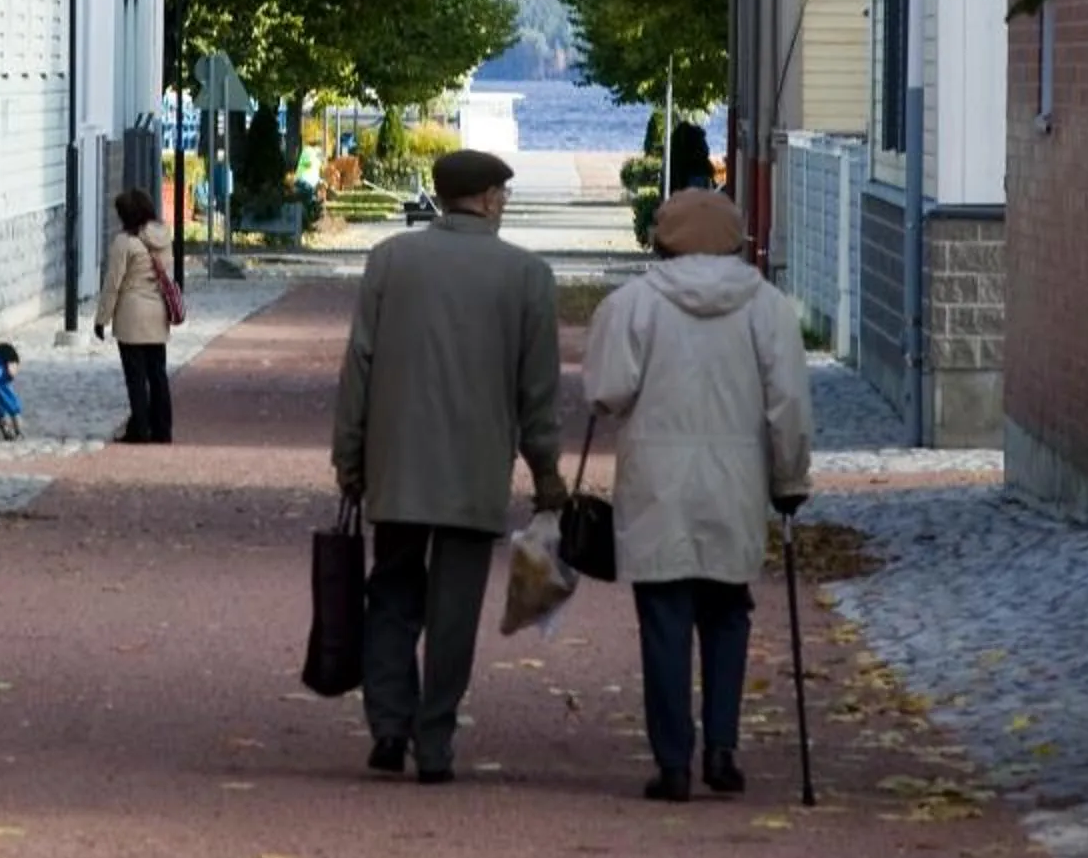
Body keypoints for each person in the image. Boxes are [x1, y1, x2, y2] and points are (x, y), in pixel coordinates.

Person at [332, 148, 566, 784]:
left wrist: (348, 453)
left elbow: (360, 364)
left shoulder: (390, 260)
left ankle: (388, 722)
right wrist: (546, 470)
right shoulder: (526, 276)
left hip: (397, 463)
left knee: (392, 593)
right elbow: (537, 390)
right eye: (504, 196)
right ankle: (433, 741)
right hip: (474, 468)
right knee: (455, 609)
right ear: (488, 198)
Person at [582, 187, 812, 803]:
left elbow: (606, 392)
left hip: (656, 480)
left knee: (663, 617)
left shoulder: (634, 304)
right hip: (735, 479)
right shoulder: (767, 307)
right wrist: (791, 481)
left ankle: (673, 760)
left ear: (664, 239)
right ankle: (723, 748)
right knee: (728, 612)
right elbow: (788, 406)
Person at [93, 187, 176, 443]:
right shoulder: (163, 237)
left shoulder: (125, 242)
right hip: (157, 313)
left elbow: (113, 283)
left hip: (131, 315)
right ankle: (163, 428)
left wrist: (101, 318)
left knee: (136, 378)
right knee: (158, 374)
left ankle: (139, 428)